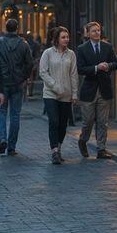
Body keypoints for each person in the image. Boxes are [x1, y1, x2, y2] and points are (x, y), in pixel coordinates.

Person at [75, 20, 117, 160]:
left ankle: (101, 149)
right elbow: (80, 69)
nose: (97, 33)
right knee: (88, 121)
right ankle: (83, 140)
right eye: (94, 31)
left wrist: (108, 66)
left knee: (103, 122)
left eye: (98, 30)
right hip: (89, 90)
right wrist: (96, 68)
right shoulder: (82, 49)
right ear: (88, 33)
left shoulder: (107, 47)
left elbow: (116, 63)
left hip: (104, 89)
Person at [0, 17, 33, 157]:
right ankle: (11, 146)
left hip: (2, 83)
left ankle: (2, 138)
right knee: (15, 115)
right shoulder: (24, 44)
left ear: (5, 27)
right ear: (17, 28)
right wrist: (24, 77)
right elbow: (29, 64)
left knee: (1, 112)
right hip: (17, 83)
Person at [39, 26, 78, 165]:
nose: (66, 39)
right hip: (50, 93)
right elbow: (43, 72)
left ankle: (59, 148)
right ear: (56, 39)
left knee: (62, 124)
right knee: (54, 121)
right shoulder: (48, 53)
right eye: (63, 37)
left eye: (67, 37)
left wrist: (74, 93)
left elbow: (73, 75)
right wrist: (54, 85)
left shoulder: (71, 54)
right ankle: (54, 151)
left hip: (66, 94)